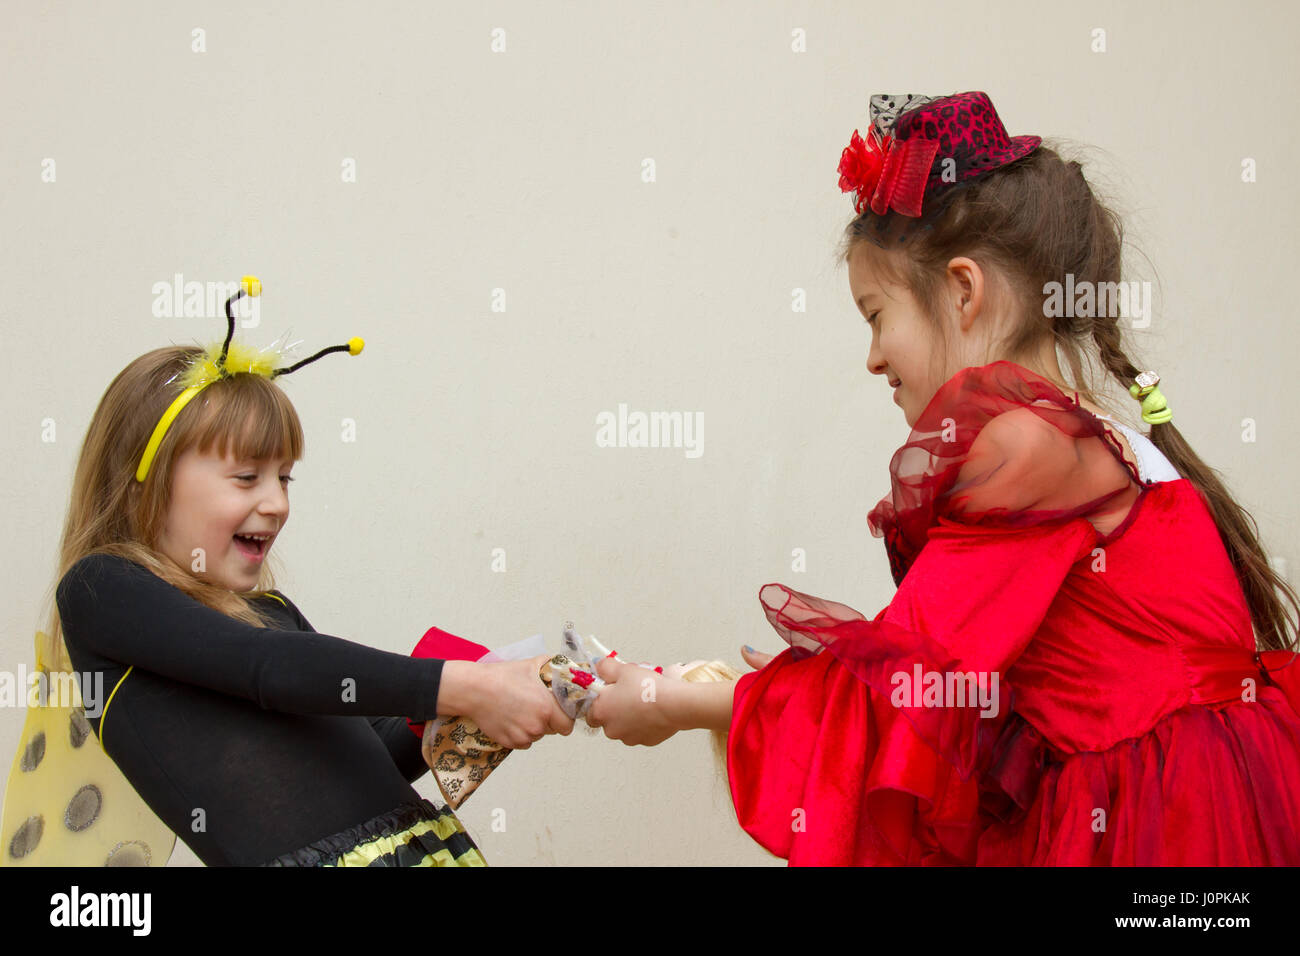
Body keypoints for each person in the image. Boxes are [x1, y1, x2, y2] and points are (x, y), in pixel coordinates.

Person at [585, 91, 1300, 865]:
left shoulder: (1024, 446)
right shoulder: (1099, 435)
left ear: (962, 290)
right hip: (1210, 801)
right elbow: (968, 684)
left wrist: (683, 702)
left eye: (875, 315)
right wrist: (806, 682)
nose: (873, 358)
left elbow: (909, 688)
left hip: (1162, 824)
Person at [2, 277, 573, 867]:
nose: (277, 502)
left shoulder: (270, 614)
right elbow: (267, 667)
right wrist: (464, 684)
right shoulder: (101, 589)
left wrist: (476, 704)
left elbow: (370, 749)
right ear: (143, 479)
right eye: (247, 477)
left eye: (285, 478)